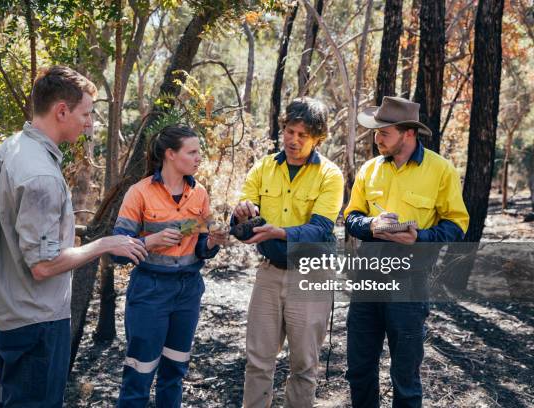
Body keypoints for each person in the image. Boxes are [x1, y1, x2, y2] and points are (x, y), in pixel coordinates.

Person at [0, 65, 148, 407]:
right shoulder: (40, 174)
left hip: (10, 314)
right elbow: (43, 265)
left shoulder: (12, 148)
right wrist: (105, 244)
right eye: (86, 113)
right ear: (61, 111)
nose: (89, 122)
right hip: (36, 323)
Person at [343, 96, 469, 407]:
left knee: (405, 376)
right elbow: (350, 217)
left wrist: (421, 237)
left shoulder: (441, 170)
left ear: (408, 133)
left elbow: (457, 224)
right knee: (359, 370)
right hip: (366, 281)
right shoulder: (369, 169)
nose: (377, 138)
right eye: (376, 132)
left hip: (410, 282)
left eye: (384, 132)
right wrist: (371, 225)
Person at [232, 97, 344, 407]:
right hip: (269, 274)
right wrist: (241, 214)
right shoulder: (265, 167)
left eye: (303, 135)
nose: (294, 140)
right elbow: (242, 226)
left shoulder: (330, 175)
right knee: (257, 361)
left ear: (317, 138)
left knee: (304, 366)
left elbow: (320, 229)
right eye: (290, 131)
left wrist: (279, 232)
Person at [112, 125, 227, 407]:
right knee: (139, 374)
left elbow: (200, 247)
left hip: (188, 291)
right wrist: (151, 241)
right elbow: (117, 251)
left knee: (174, 372)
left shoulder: (199, 194)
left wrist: (212, 241)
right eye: (193, 152)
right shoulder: (138, 193)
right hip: (150, 291)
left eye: (199, 152)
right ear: (170, 154)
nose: (199, 158)